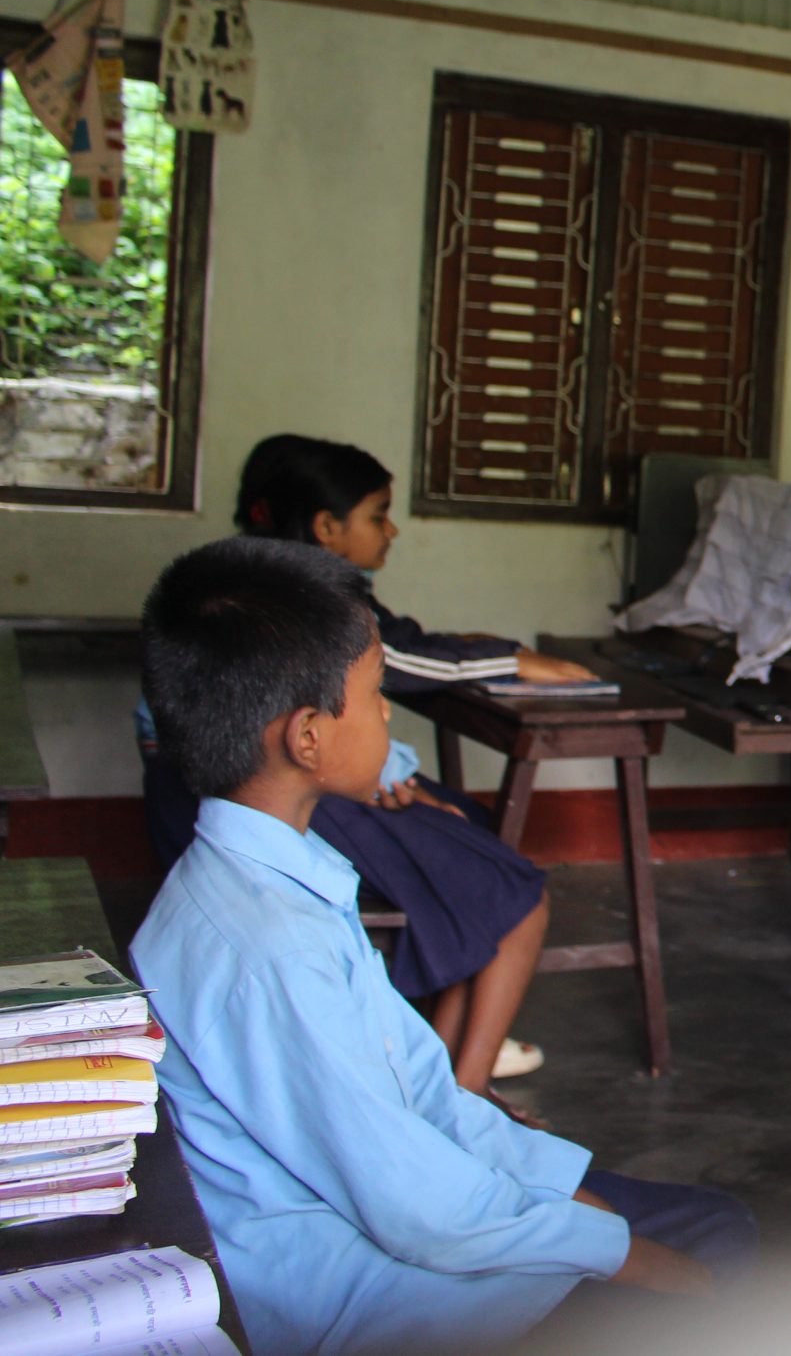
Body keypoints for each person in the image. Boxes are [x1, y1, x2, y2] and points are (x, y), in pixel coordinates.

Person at [131, 537, 754, 1356]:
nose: (387, 715)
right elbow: (415, 1208)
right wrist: (622, 1253)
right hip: (362, 1295)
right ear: (308, 737)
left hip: (400, 1217)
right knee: (715, 1247)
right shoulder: (268, 949)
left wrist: (566, 1197)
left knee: (687, 1223)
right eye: (375, 693)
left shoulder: (264, 881)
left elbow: (426, 1092)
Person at [138, 434, 592, 1096]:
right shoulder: (307, 612)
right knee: (512, 891)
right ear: (326, 527)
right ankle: (461, 1090)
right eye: (379, 514)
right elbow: (398, 660)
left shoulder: (234, 584)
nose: (392, 530)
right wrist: (508, 661)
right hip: (291, 800)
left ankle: (444, 1075)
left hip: (209, 792)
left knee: (469, 834)